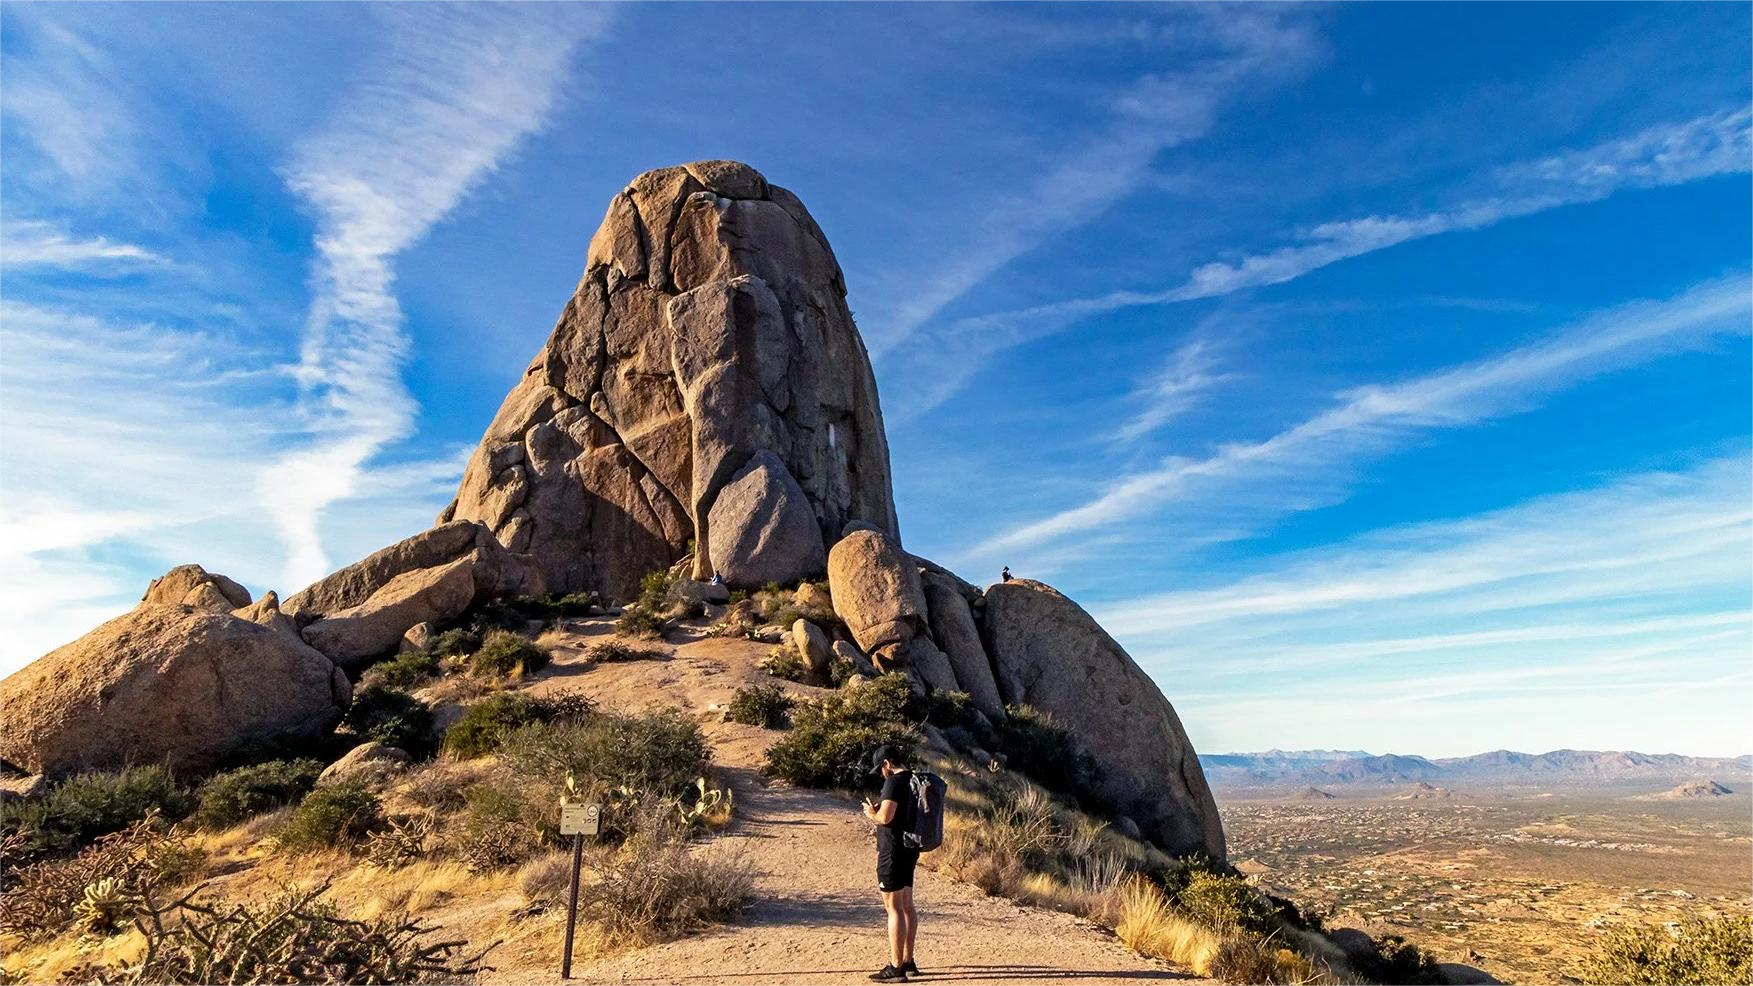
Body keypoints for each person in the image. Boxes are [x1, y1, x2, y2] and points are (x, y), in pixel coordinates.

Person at [861, 746, 920, 981]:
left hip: (893, 851)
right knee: (907, 905)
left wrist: (870, 813)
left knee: (893, 908)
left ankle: (896, 968)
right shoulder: (914, 779)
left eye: (881, 769)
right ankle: (908, 961)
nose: (882, 774)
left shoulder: (893, 783)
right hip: (910, 848)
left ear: (887, 763)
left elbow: (885, 818)